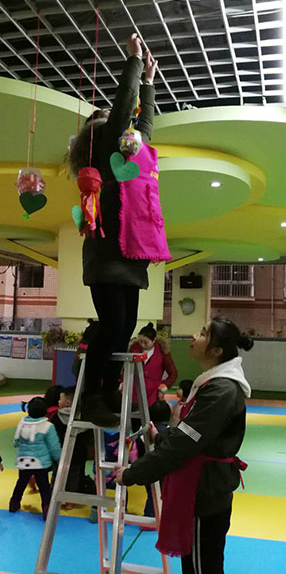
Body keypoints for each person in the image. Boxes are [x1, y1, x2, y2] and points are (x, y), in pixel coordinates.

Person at [68, 33, 170, 427]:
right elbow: (125, 109)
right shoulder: (103, 153)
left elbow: (143, 127)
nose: (121, 126)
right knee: (112, 325)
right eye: (111, 122)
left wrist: (150, 82)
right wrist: (133, 63)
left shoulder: (127, 154)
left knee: (124, 326)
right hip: (108, 256)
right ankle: (91, 396)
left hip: (128, 253)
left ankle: (108, 387)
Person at [114, 316, 253, 573]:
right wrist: (161, 437)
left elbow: (185, 443)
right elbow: (189, 434)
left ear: (217, 351)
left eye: (203, 334)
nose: (194, 337)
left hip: (204, 492)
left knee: (202, 567)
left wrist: (133, 473)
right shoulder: (211, 383)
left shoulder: (221, 391)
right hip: (201, 488)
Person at [9, 397, 61, 520]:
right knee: (44, 487)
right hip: (40, 463)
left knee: (21, 483)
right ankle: (47, 509)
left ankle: (14, 503)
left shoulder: (22, 424)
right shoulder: (47, 426)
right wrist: (59, 459)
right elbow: (54, 446)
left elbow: (16, 442)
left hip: (23, 461)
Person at [52, 387, 92, 510]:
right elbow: (87, 435)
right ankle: (70, 501)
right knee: (74, 476)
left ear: (67, 402)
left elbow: (54, 435)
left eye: (60, 399)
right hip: (78, 452)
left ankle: (54, 497)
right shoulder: (83, 417)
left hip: (61, 451)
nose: (58, 401)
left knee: (57, 474)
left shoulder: (57, 416)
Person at [129, 323, 178, 409]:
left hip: (153, 395)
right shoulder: (133, 348)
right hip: (133, 393)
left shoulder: (163, 351)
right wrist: (122, 383)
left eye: (146, 342)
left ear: (154, 340)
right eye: (140, 341)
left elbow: (173, 374)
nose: (142, 345)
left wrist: (163, 388)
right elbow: (126, 369)